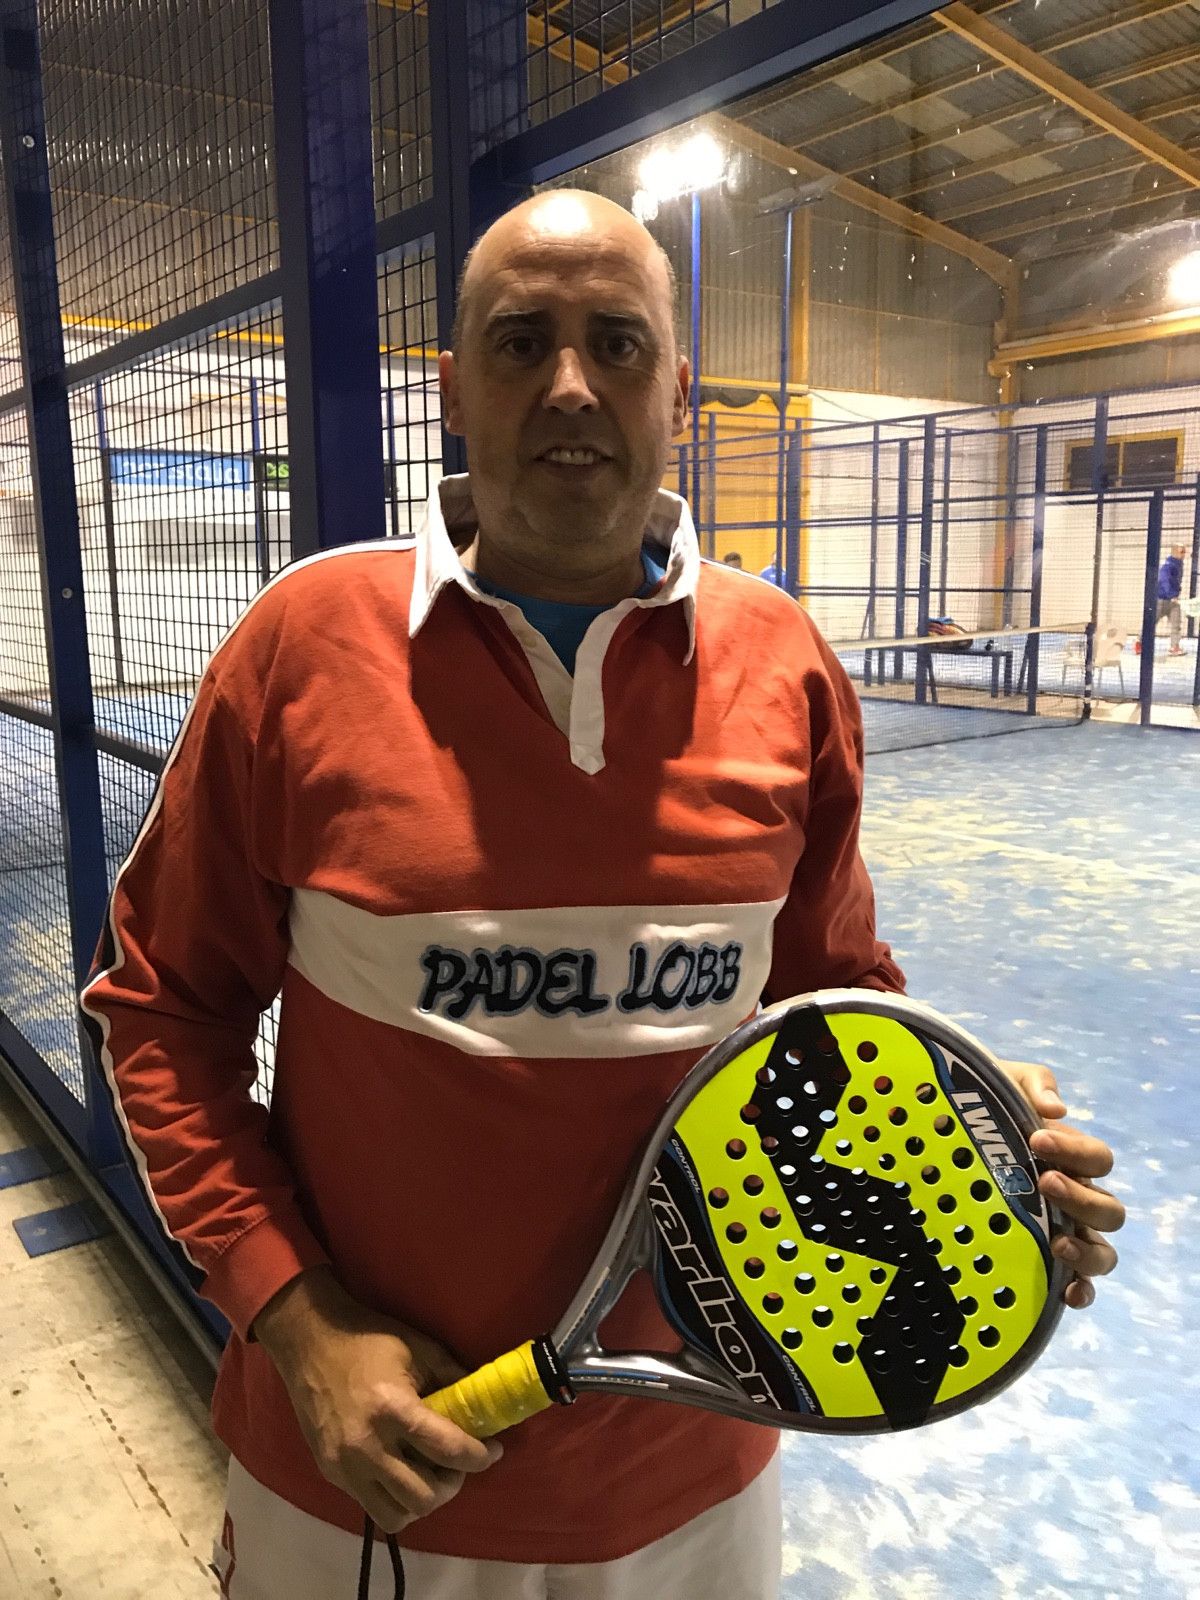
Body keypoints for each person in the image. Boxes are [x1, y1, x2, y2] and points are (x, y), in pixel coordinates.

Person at [80, 191, 1124, 1600]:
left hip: (698, 1480)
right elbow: (162, 1013)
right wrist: (299, 1322)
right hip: (369, 1485)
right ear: (453, 391)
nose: (571, 384)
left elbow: (831, 1010)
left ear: (678, 391)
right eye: (522, 342)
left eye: (617, 344)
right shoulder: (299, 648)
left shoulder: (785, 662)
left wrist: (975, 1140)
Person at [1157, 543, 1187, 657]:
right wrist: (1171, 594)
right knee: (1152, 621)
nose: (1184, 555)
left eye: (1184, 552)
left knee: (1176, 624)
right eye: (1181, 552)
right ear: (1174, 552)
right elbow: (1164, 581)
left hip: (1174, 600)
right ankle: (1139, 641)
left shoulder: (1179, 565)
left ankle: (1174, 646)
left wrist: (1177, 593)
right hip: (1162, 599)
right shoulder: (1168, 565)